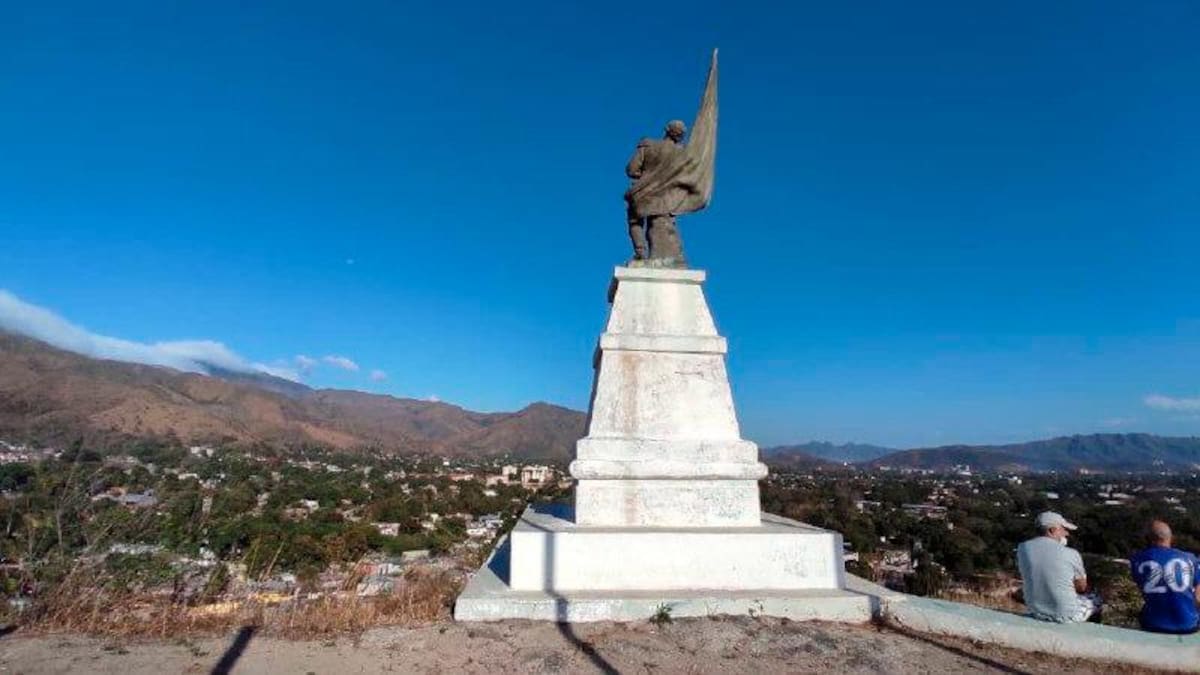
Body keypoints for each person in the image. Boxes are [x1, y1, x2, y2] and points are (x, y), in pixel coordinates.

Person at [1016, 511, 1099, 622]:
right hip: (1065, 615)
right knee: (1097, 599)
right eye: (1064, 529)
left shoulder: (1022, 548)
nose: (1066, 534)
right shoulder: (1071, 553)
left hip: (1035, 611)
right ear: (1052, 530)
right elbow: (1081, 588)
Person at [624, 120, 687, 262]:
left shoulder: (648, 145)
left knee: (635, 221)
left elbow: (631, 169)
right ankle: (663, 254)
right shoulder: (681, 153)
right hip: (665, 197)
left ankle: (640, 251)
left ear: (666, 129)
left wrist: (644, 176)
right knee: (661, 223)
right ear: (680, 136)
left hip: (641, 192)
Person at [1130, 520, 1200, 634]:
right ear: (1171, 538)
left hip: (1154, 625)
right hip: (1189, 626)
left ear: (1148, 539)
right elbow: (1198, 597)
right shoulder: (1191, 559)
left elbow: (1143, 587)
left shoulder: (1137, 559)